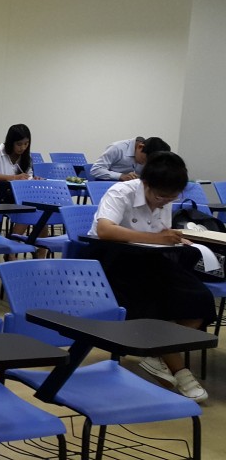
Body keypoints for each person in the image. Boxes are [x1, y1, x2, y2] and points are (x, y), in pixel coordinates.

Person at [87, 151, 213, 402]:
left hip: (151, 258)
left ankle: (156, 352)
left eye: (171, 198)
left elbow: (159, 235)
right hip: (113, 261)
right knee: (154, 303)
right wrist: (156, 238)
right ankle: (181, 371)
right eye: (159, 196)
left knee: (200, 299)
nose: (163, 202)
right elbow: (105, 230)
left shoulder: (164, 198)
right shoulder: (120, 192)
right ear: (145, 183)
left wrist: (175, 239)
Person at [90, 136, 171, 181]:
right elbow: (95, 170)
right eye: (145, 160)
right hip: (108, 186)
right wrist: (121, 176)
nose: (145, 164)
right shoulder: (117, 148)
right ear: (140, 147)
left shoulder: (149, 154)